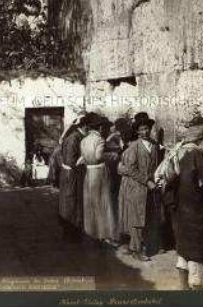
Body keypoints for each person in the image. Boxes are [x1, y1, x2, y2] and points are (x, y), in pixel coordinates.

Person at [170, 119, 203, 290]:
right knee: (197, 253)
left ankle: (183, 288)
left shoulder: (178, 150)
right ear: (202, 139)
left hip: (180, 210)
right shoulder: (198, 156)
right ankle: (196, 291)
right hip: (197, 212)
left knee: (183, 252)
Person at [118, 113, 162, 261]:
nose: (145, 132)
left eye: (147, 129)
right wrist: (147, 181)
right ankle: (136, 250)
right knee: (137, 218)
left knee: (147, 216)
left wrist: (157, 179)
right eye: (142, 129)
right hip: (137, 186)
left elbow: (156, 166)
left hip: (150, 187)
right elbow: (130, 169)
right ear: (137, 131)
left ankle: (142, 246)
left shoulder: (154, 146)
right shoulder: (134, 148)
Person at [80, 112, 116, 245]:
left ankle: (92, 232)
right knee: (103, 202)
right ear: (99, 128)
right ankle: (105, 235)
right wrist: (111, 155)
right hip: (99, 172)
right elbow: (98, 155)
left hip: (89, 172)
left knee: (91, 203)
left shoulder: (84, 140)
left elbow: (85, 157)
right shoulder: (99, 139)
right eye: (103, 127)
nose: (104, 129)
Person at [59, 115, 88, 240]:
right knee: (71, 202)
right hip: (71, 175)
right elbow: (71, 161)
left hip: (71, 174)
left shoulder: (77, 136)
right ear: (84, 126)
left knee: (72, 202)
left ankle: (72, 232)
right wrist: (85, 158)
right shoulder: (74, 138)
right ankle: (70, 233)